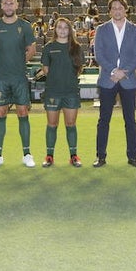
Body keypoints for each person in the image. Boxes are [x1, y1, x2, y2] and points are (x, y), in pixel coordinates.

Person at [91, 0, 136, 167]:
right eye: (114, 8)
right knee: (103, 120)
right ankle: (100, 156)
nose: (117, 10)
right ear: (109, 11)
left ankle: (133, 156)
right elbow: (99, 54)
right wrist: (114, 71)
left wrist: (123, 72)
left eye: (120, 7)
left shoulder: (135, 30)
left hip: (128, 81)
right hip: (108, 80)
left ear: (125, 10)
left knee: (130, 121)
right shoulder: (102, 29)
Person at [0, 0, 37, 167]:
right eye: (5, 3)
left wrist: (20, 62)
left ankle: (27, 154)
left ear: (16, 5)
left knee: (23, 112)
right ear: (1, 6)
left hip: (19, 77)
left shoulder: (25, 26)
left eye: (11, 3)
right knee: (1, 113)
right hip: (1, 77)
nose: (8, 6)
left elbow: (32, 49)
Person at [36, 17, 84, 167]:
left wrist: (67, 79)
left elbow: (79, 69)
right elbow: (46, 69)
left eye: (65, 27)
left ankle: (74, 156)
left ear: (70, 30)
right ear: (55, 29)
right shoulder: (49, 47)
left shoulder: (76, 47)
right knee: (52, 124)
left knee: (71, 124)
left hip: (71, 92)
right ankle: (49, 156)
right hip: (53, 92)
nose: (62, 30)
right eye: (59, 27)